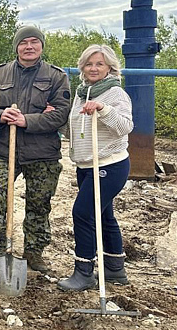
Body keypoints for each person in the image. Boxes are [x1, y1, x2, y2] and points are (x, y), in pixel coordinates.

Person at [0, 26, 71, 273]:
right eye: (23, 42)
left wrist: (26, 121)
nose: (29, 47)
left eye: (34, 42)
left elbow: (61, 113)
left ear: (41, 46)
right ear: (16, 47)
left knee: (39, 203)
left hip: (43, 153)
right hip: (3, 150)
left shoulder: (56, 77)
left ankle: (34, 252)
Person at [58, 45, 133, 291]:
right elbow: (76, 129)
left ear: (109, 67)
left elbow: (125, 126)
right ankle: (114, 268)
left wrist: (103, 109)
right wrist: (57, 120)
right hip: (85, 165)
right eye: (89, 64)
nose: (93, 68)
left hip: (109, 164)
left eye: (99, 64)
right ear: (82, 67)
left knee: (83, 213)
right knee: (104, 215)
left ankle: (84, 272)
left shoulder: (115, 94)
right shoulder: (81, 93)